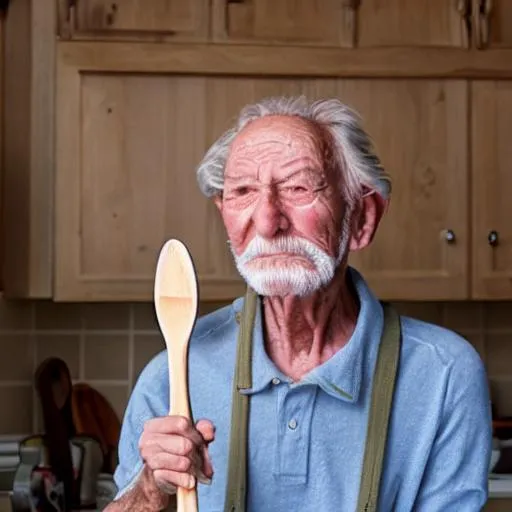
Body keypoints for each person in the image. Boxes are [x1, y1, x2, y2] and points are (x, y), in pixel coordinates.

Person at [105, 96, 492, 511]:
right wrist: (151, 488)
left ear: (362, 218)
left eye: (298, 187)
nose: (268, 221)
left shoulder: (443, 375)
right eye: (243, 191)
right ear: (225, 216)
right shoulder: (176, 370)